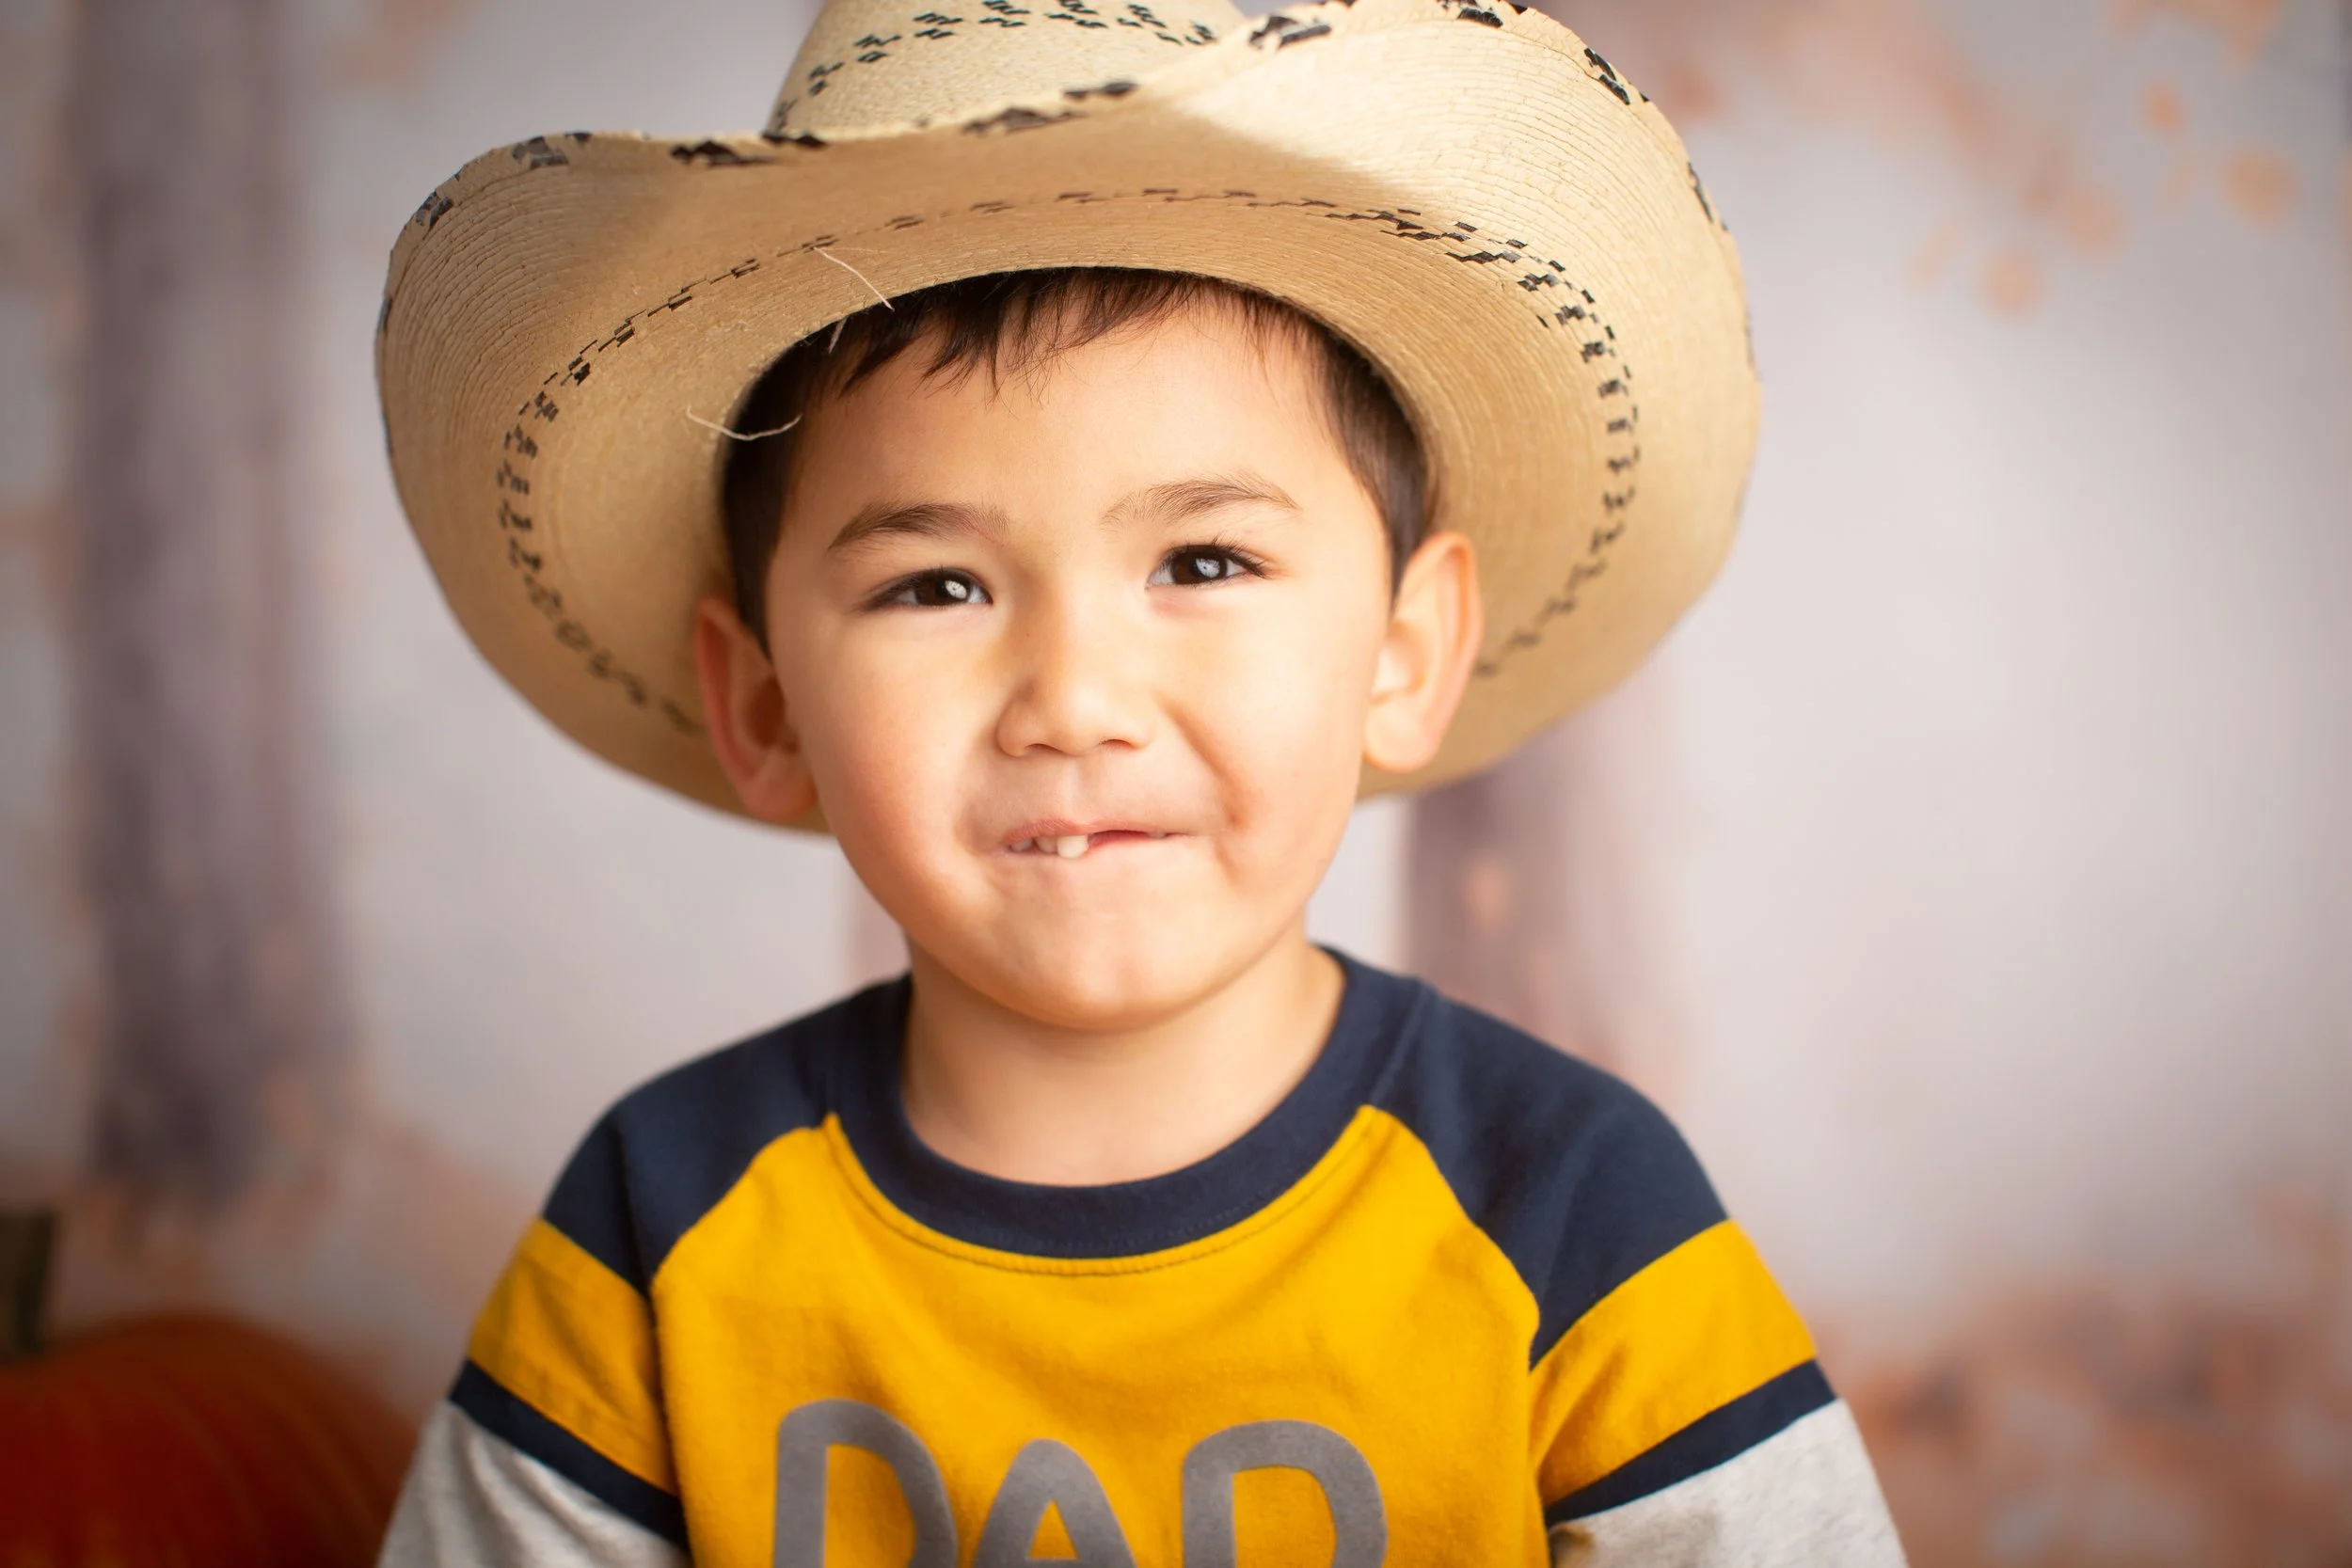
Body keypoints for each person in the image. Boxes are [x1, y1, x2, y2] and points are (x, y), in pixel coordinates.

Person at [373, 0, 1906, 1561]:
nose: (1076, 701)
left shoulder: (1563, 1208)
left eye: (1204, 558)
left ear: (1401, 649)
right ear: (764, 706)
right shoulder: (664, 1221)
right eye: (936, 587)